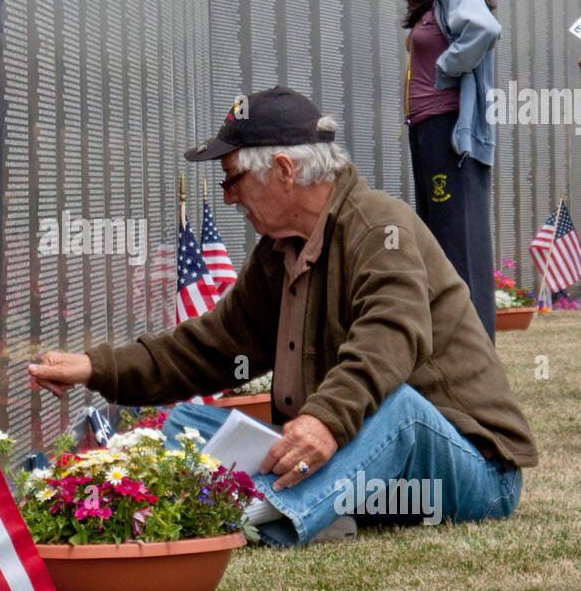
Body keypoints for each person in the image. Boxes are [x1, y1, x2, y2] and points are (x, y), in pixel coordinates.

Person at [28, 86, 537, 547]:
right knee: (186, 423)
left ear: (285, 171)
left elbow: (390, 336)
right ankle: (236, 507)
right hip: (362, 467)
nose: (228, 197)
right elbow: (208, 348)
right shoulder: (278, 253)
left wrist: (322, 420)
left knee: (399, 409)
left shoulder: (382, 227)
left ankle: (255, 518)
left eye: (233, 179)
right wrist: (96, 369)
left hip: (474, 474)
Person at [386, 0, 500, 340]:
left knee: (459, 251)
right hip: (428, 132)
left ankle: (478, 360)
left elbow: (484, 28)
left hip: (450, 138)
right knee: (439, 251)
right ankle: (456, 357)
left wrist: (446, 68)